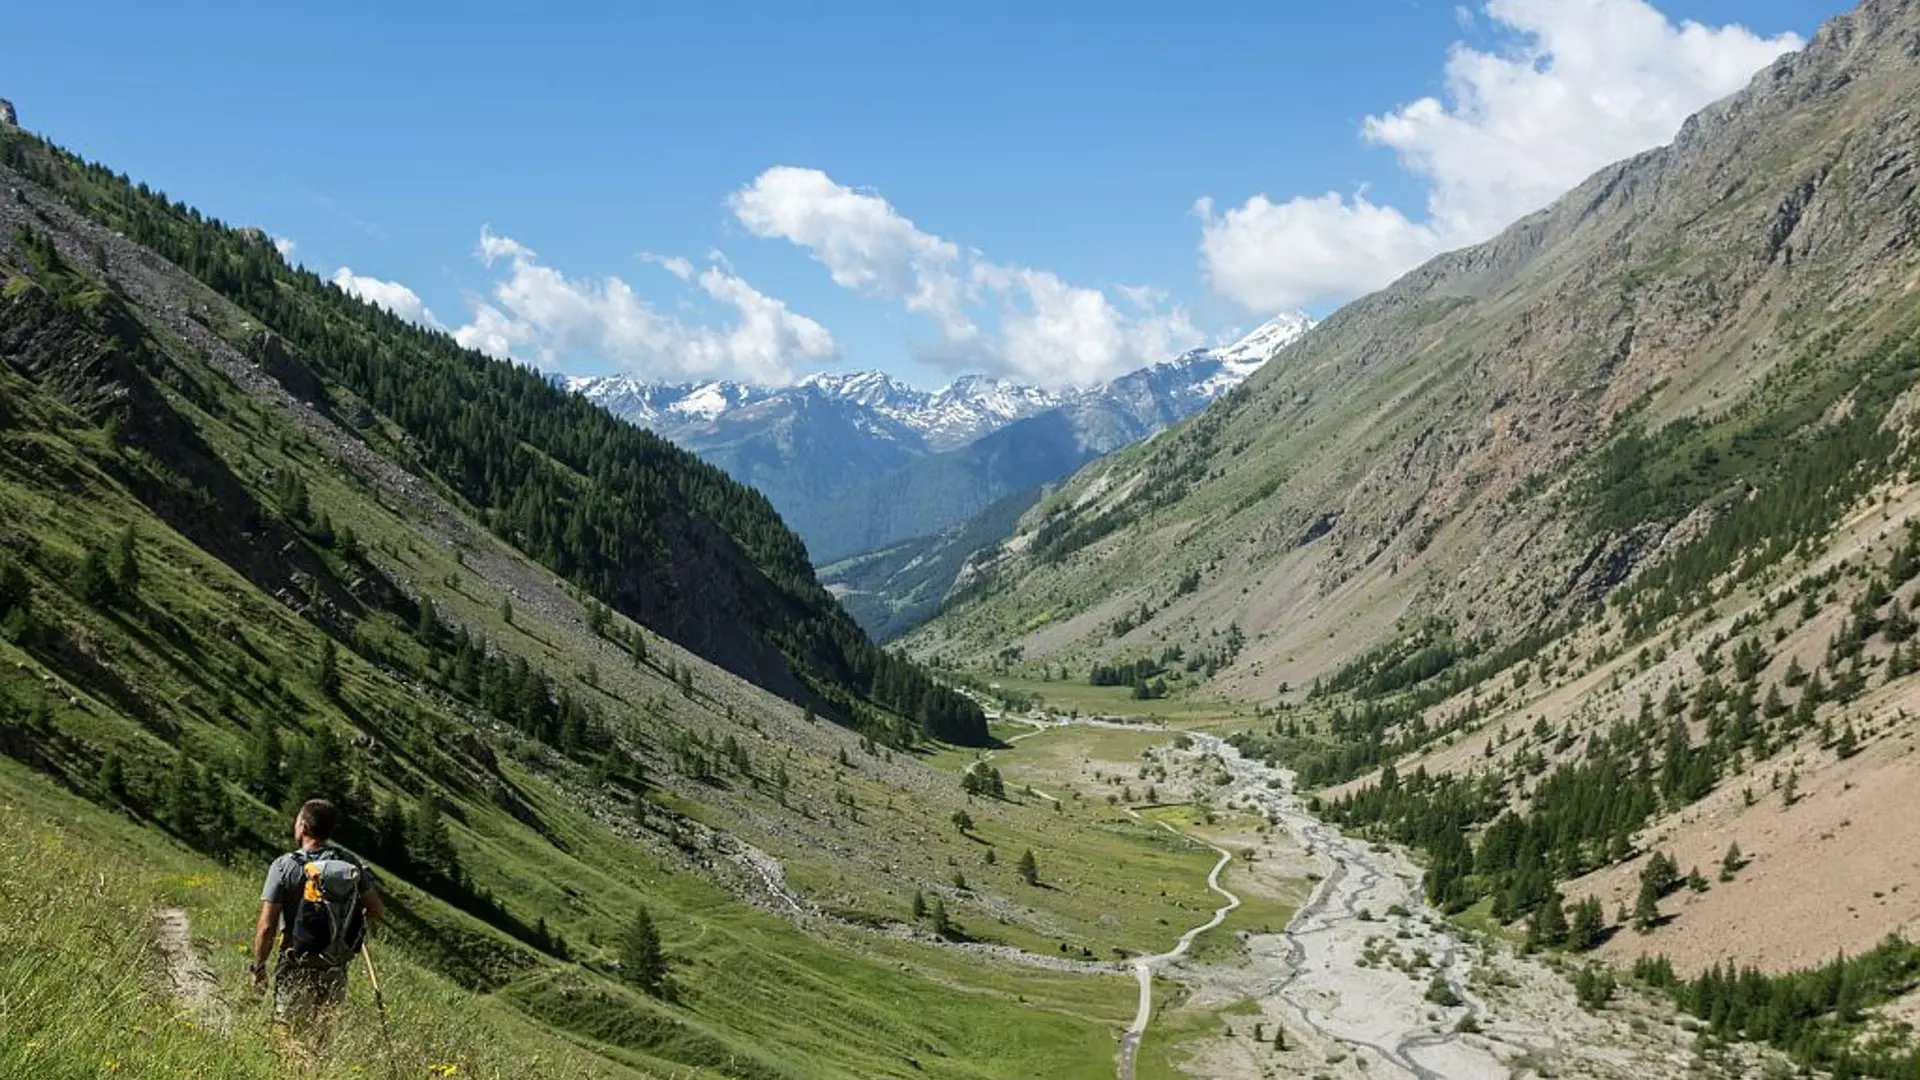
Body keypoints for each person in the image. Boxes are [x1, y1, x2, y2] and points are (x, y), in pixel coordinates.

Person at [251, 798, 385, 1039]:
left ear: (302, 826)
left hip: (296, 965)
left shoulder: (284, 866)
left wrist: (259, 967)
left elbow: (267, 927)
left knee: (288, 1038)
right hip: (335, 968)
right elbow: (376, 909)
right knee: (321, 1039)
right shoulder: (349, 864)